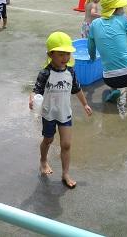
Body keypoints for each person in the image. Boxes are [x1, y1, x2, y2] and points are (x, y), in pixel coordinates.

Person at [29, 32, 92, 189]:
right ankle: (43, 160)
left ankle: (65, 173)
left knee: (66, 144)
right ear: (51, 54)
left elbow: (77, 89)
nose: (65, 57)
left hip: (65, 113)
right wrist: (32, 99)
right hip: (49, 113)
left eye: (68, 54)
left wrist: (85, 104)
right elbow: (36, 90)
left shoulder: (70, 71)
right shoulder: (45, 73)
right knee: (48, 140)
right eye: (61, 54)